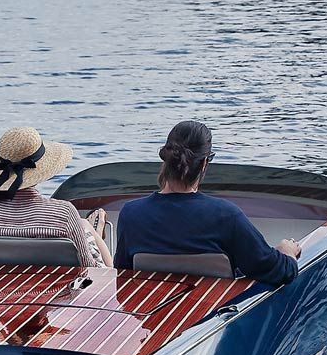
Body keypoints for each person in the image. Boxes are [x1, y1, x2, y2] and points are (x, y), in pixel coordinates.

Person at [113, 121, 300, 286]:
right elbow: (278, 271)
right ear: (203, 164)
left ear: (166, 158)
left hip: (153, 318)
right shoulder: (226, 216)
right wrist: (287, 253)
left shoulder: (131, 214)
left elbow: (123, 276)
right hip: (214, 317)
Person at [0, 127, 112, 267]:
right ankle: (95, 235)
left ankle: (90, 230)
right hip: (63, 288)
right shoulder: (64, 212)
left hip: (5, 286)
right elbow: (87, 264)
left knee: (82, 225)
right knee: (84, 226)